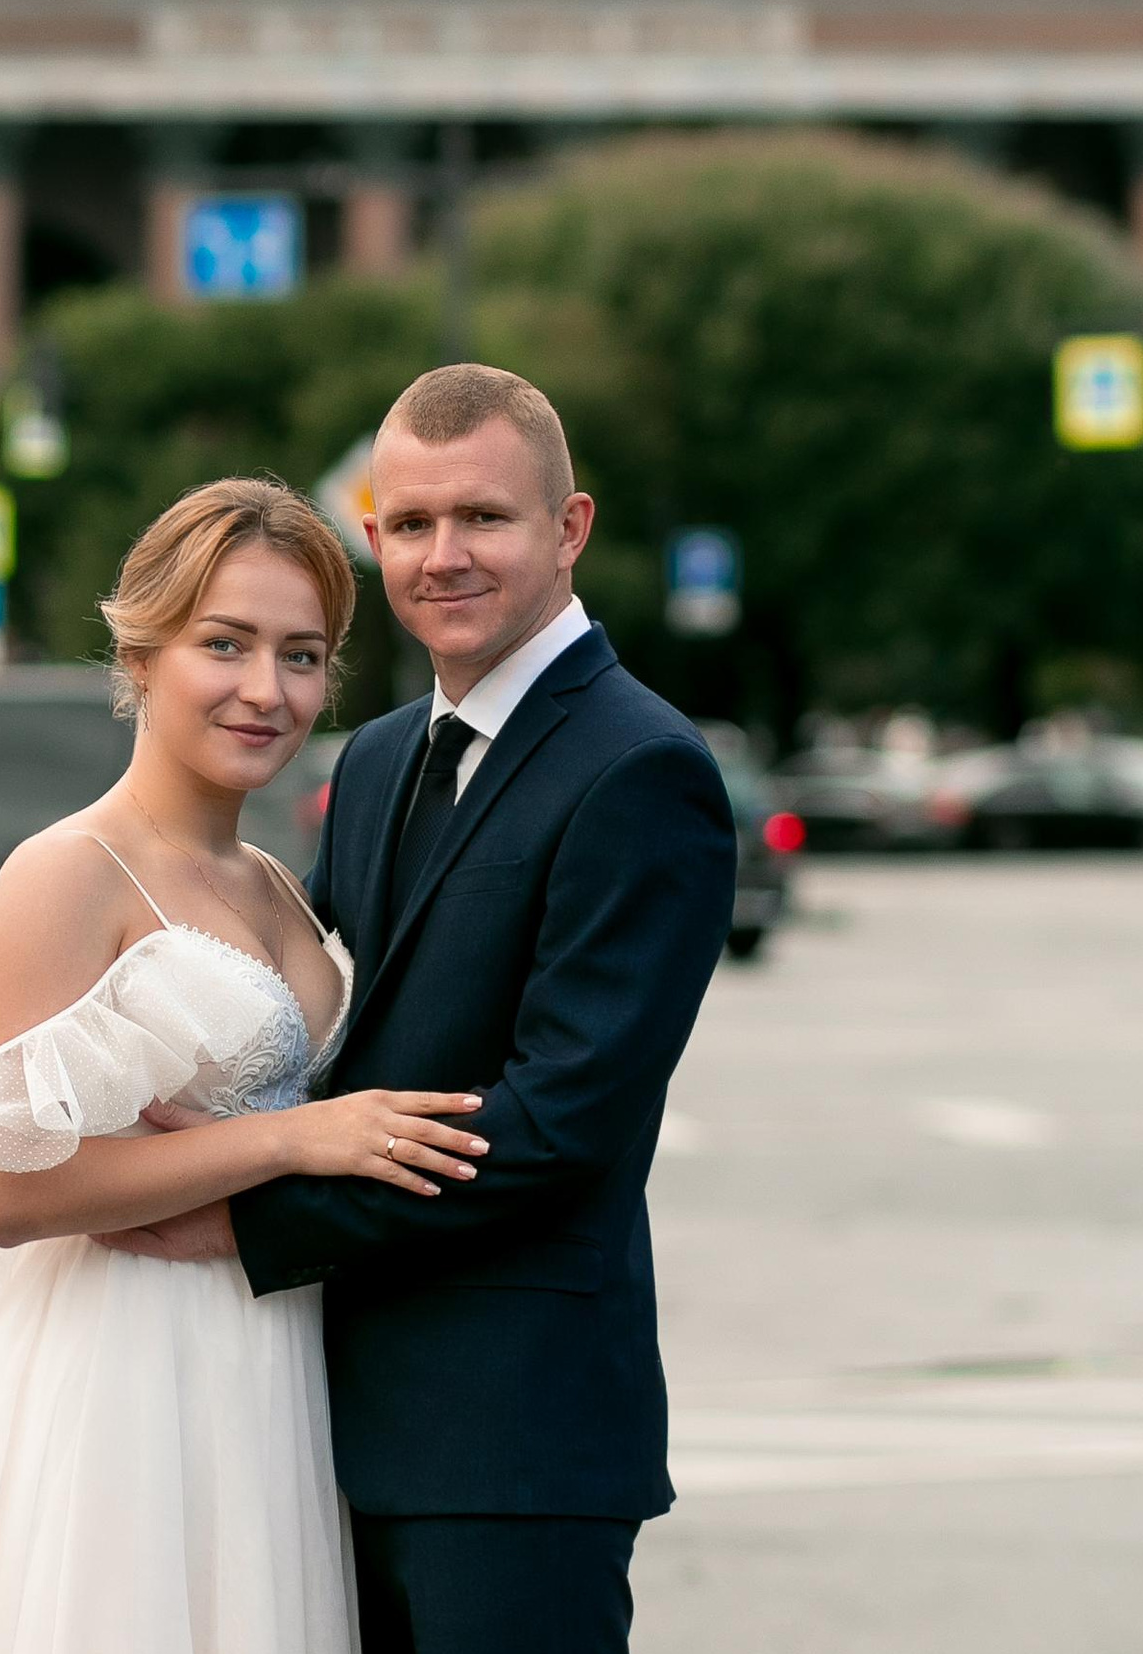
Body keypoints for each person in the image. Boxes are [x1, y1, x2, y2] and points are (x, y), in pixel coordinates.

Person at [99, 365, 739, 1653]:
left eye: (483, 519)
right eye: (406, 521)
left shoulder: (642, 766)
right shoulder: (382, 753)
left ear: (569, 530)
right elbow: (319, 1040)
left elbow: (560, 1123)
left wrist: (242, 1218)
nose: (440, 555)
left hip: (508, 1443)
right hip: (306, 1421)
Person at [0, 476, 486, 1654]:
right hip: (128, 1377)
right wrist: (290, 1139)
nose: (268, 689)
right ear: (141, 652)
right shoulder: (66, 870)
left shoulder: (281, 884)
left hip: (273, 1359)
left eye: (303, 656)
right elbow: (1, 1188)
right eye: (225, 644)